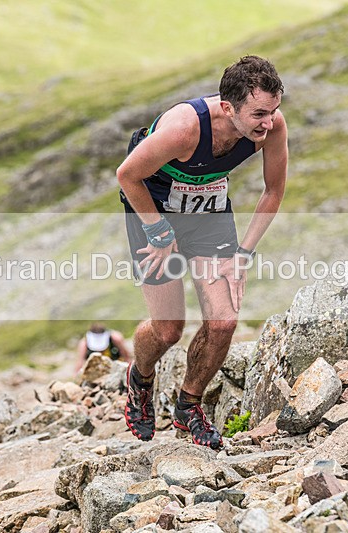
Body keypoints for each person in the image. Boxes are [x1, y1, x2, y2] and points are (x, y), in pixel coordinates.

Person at [117, 55, 288, 449]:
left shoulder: (272, 126)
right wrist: (159, 231)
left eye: (274, 111)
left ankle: (188, 404)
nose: (269, 122)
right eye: (259, 113)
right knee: (168, 329)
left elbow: (273, 191)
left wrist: (243, 253)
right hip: (153, 213)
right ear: (228, 108)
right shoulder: (183, 129)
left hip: (208, 215)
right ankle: (140, 377)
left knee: (224, 321)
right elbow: (127, 175)